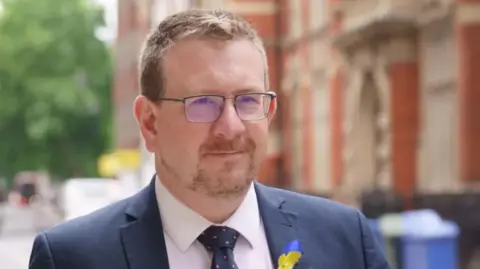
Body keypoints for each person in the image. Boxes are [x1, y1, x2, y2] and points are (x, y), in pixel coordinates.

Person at [29, 9, 390, 269]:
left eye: (249, 100)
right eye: (203, 103)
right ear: (150, 123)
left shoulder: (345, 240)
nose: (230, 127)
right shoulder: (71, 258)